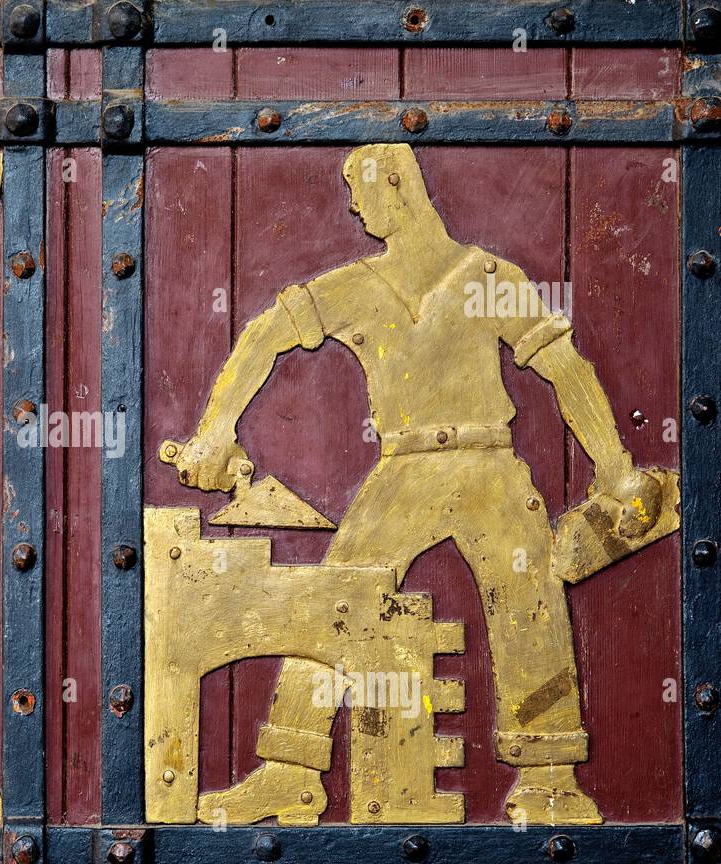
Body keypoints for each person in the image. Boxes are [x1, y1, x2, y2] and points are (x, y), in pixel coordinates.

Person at [174, 143, 660, 826]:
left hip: (488, 464)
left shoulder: (487, 276)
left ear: (399, 185)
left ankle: (550, 779)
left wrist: (614, 472)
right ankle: (289, 771)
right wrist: (213, 431)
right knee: (332, 599)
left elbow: (566, 370)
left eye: (361, 190)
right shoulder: (357, 287)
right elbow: (263, 336)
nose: (351, 206)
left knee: (528, 596)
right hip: (402, 470)